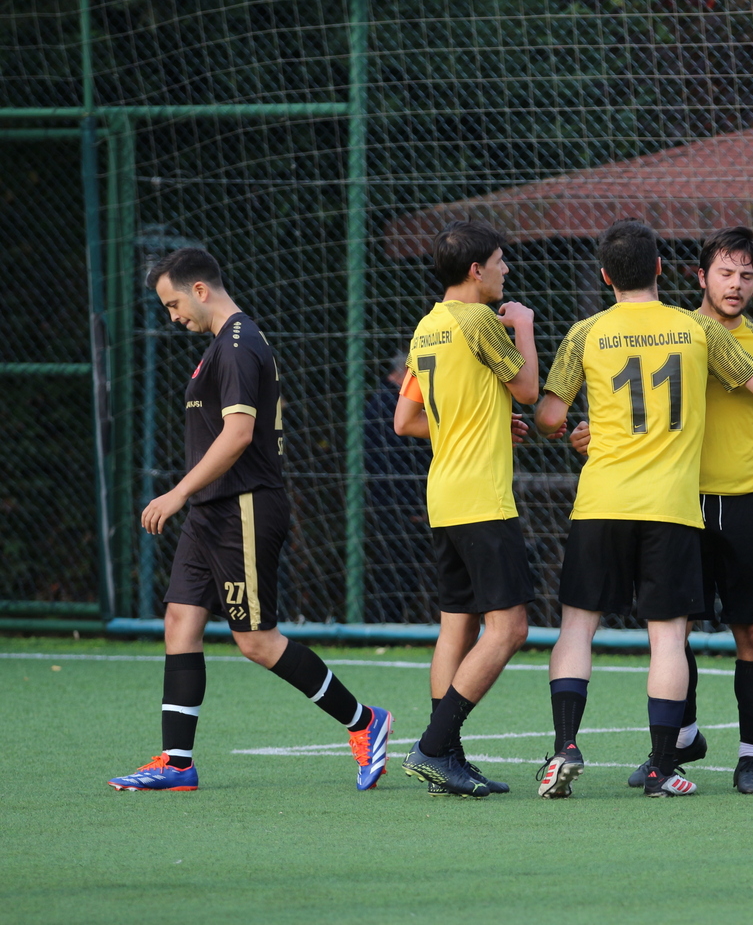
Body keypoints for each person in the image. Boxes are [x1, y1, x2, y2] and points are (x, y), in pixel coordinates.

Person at [533, 218, 753, 798]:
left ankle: (567, 746)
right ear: (667, 270)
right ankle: (665, 759)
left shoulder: (586, 332)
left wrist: (581, 429)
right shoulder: (694, 330)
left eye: (745, 275)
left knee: (580, 627)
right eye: (725, 273)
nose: (735, 283)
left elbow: (550, 416)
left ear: (604, 275)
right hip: (673, 504)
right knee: (668, 635)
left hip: (615, 499)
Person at [109, 248, 392, 792]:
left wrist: (177, 492)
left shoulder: (238, 343)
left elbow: (238, 435)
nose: (173, 318)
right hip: (211, 509)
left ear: (199, 290)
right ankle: (176, 763)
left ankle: (364, 721)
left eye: (173, 304)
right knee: (180, 621)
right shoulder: (221, 345)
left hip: (243, 506)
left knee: (257, 642)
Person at [396, 220, 540, 798]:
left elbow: (405, 420)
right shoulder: (480, 320)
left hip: (444, 496)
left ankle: (447, 759)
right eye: (501, 262)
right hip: (482, 497)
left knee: (457, 623)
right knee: (510, 628)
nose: (507, 270)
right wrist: (524, 326)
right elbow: (527, 389)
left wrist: (483, 422)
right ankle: (433, 747)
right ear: (476, 270)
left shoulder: (427, 326)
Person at [364, 354, 432, 624]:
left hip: (391, 503)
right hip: (399, 506)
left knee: (398, 571)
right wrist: (413, 507)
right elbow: (396, 464)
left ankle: (386, 624)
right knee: (398, 572)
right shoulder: (392, 404)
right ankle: (383, 625)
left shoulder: (381, 400)